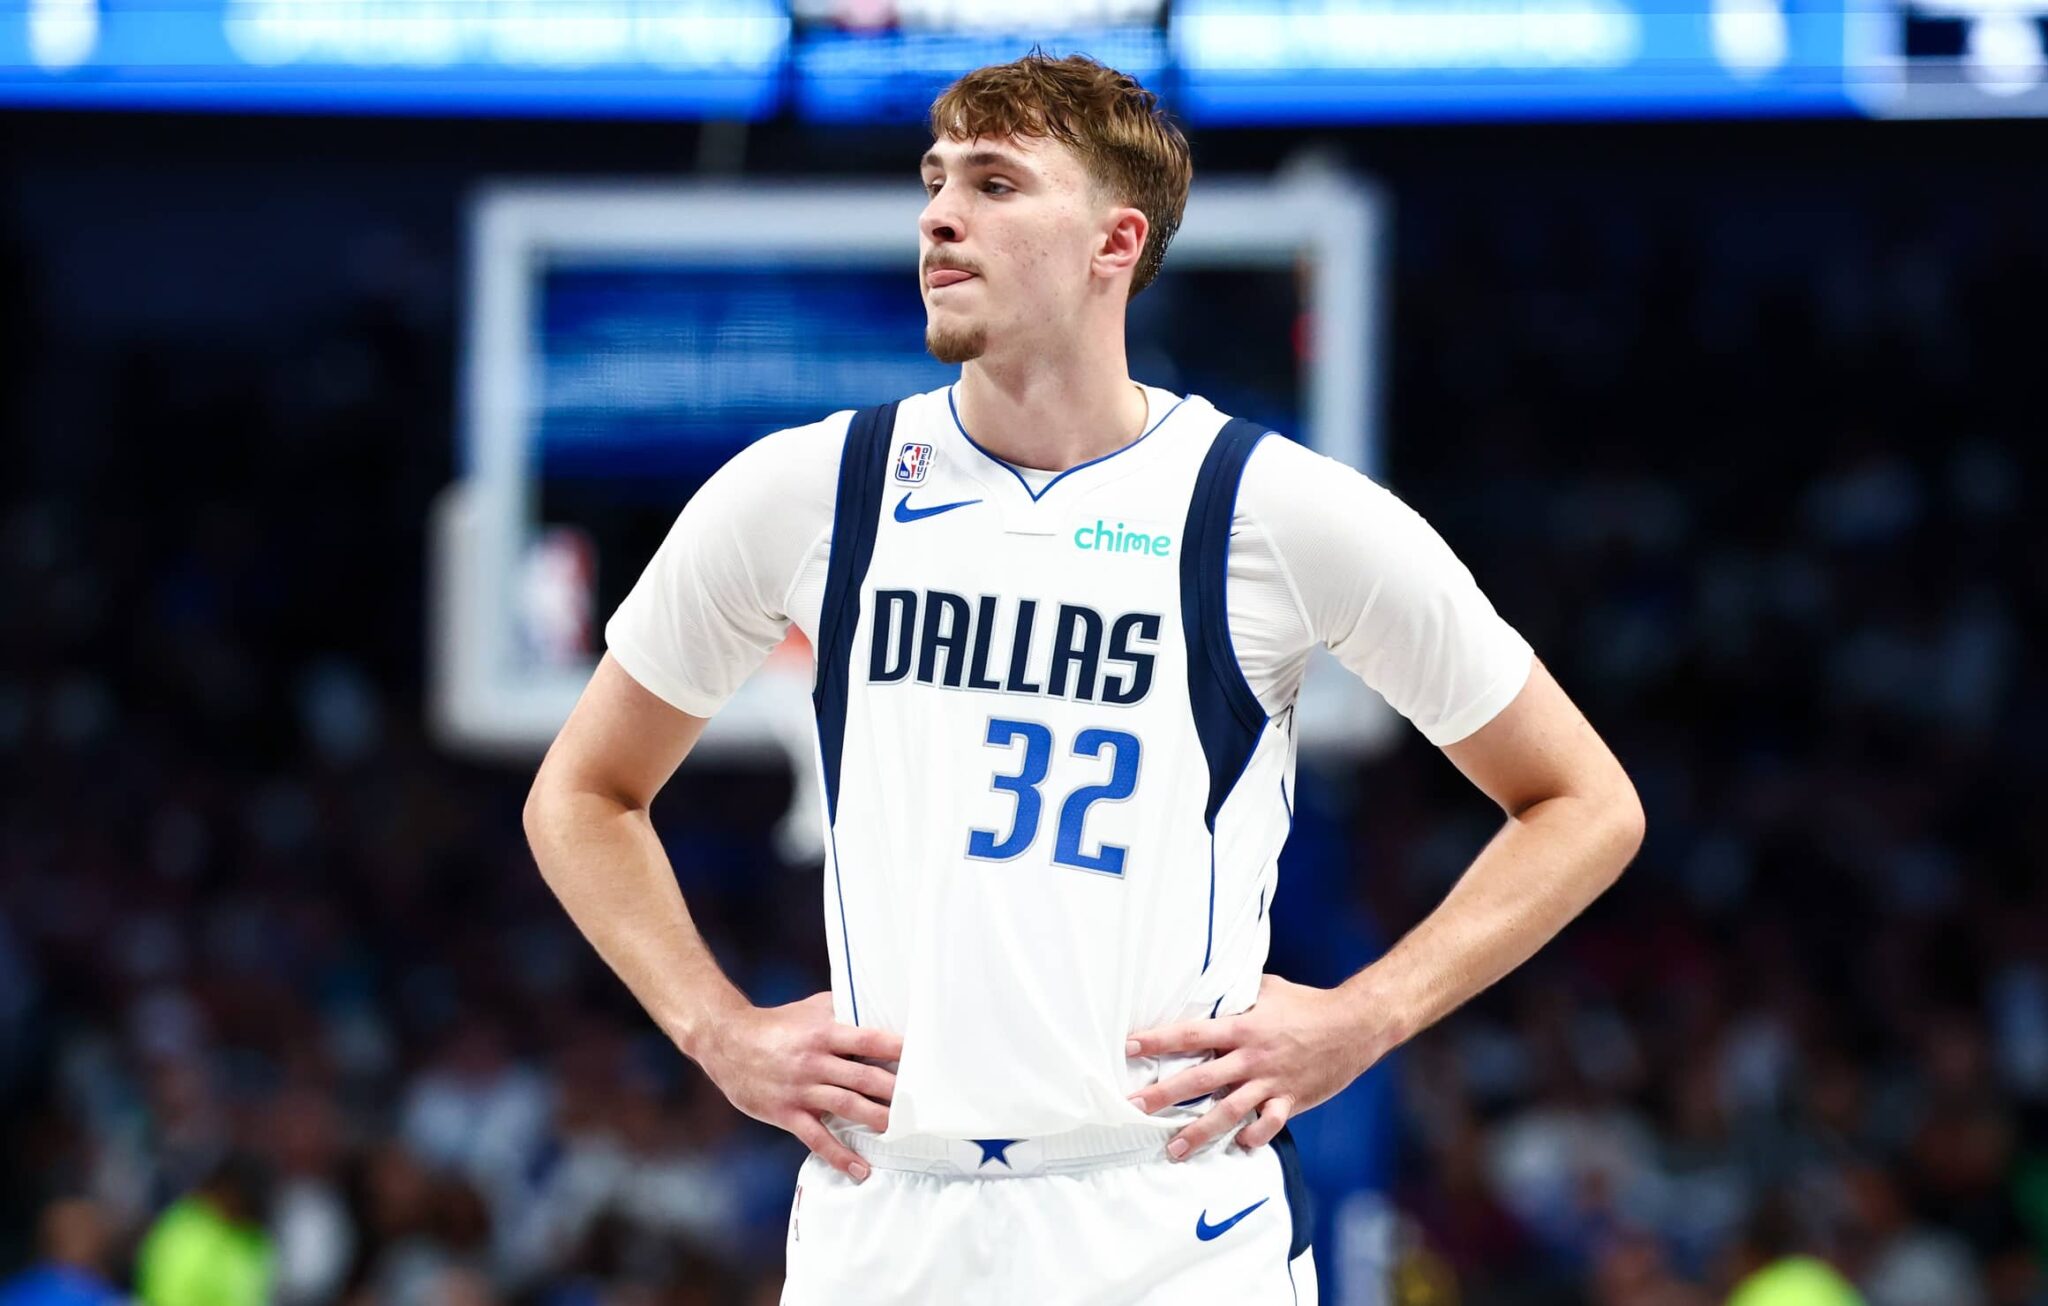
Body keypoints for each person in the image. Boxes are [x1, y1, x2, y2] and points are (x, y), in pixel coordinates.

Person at [524, 51, 1645, 1304]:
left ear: (1116, 241)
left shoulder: (1270, 508)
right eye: (934, 181)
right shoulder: (806, 490)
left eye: (995, 183)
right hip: (881, 1211)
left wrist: (1365, 1015)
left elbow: (1583, 802)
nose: (940, 215)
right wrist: (713, 1027)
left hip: (1166, 1211)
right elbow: (581, 792)